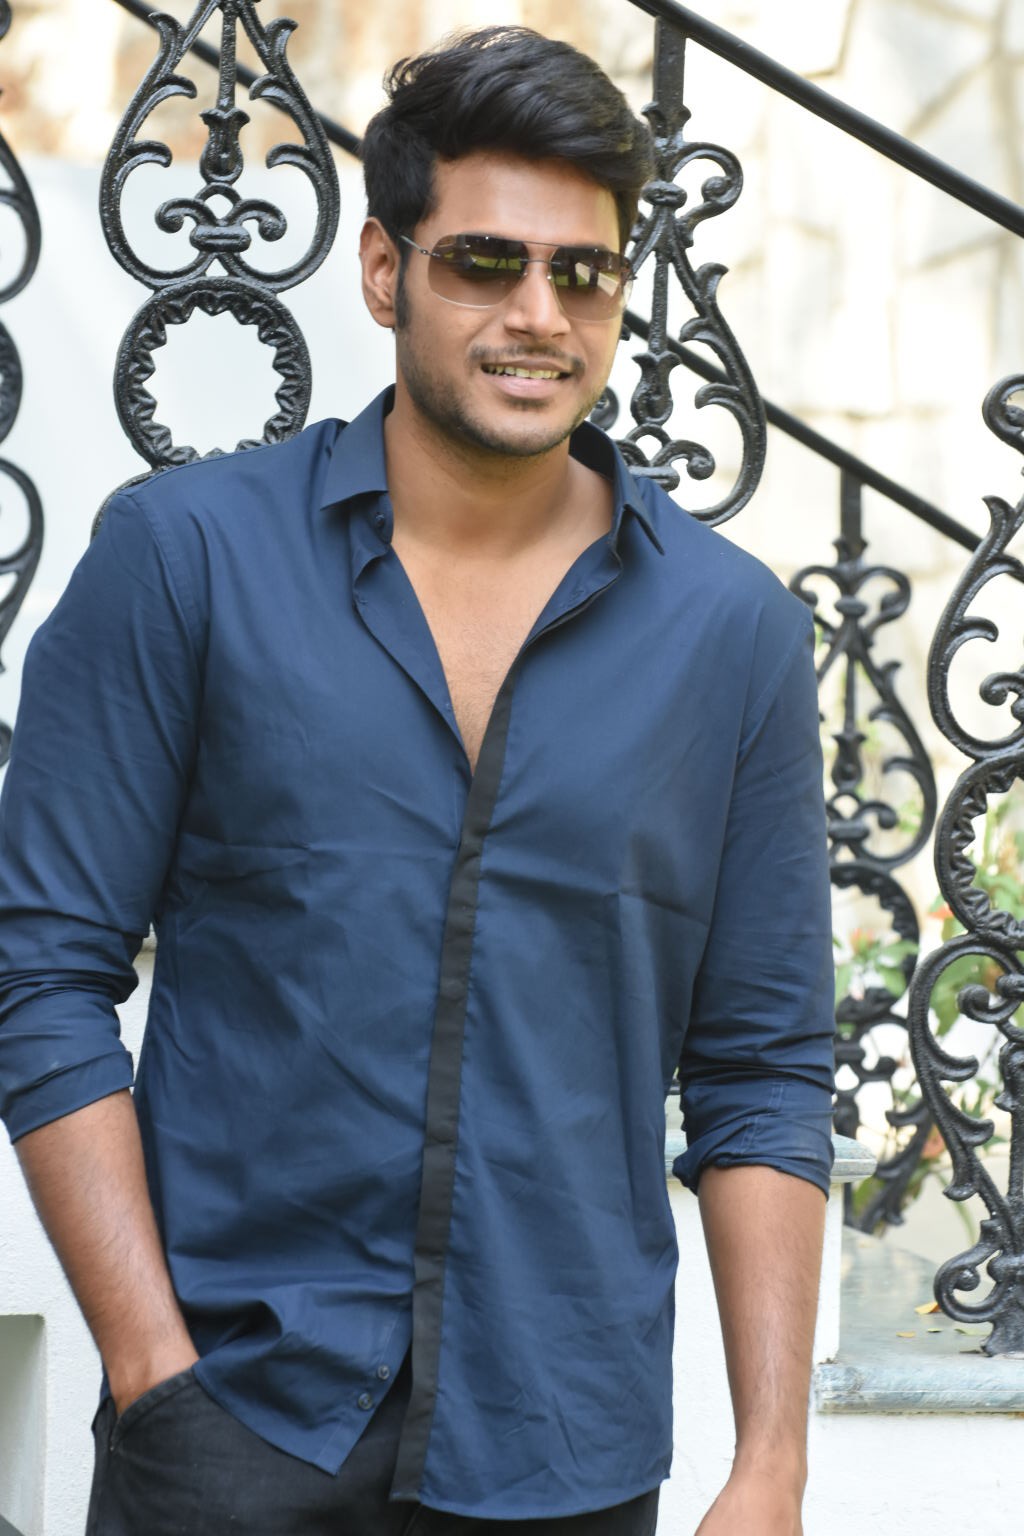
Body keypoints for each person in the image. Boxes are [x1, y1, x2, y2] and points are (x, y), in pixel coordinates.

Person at [0, 25, 835, 1536]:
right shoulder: (186, 561)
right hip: (232, 1426)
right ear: (385, 271)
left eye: (584, 273)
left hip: (566, 1450)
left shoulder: (736, 635)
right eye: (486, 263)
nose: (540, 316)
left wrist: (771, 1463)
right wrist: (149, 1370)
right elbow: (41, 967)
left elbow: (763, 1069)